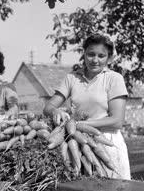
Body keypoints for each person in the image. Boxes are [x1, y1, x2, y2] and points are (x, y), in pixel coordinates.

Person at [44, 33, 131, 180]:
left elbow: (117, 121)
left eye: (101, 56)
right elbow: (48, 107)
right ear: (83, 54)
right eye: (91, 54)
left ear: (108, 58)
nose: (95, 60)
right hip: (78, 144)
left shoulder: (114, 79)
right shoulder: (72, 78)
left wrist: (80, 124)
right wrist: (55, 110)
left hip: (107, 142)